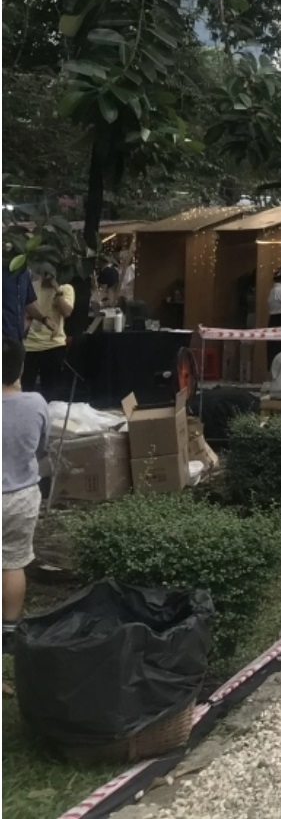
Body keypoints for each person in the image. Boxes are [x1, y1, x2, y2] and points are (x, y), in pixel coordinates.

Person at [3, 339, 51, 649]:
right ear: (21, 367)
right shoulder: (37, 403)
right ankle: (7, 630)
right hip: (20, 497)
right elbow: (42, 448)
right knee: (13, 562)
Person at [21, 264, 75, 393]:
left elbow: (67, 312)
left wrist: (56, 289)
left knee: (51, 389)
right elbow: (27, 312)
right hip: (30, 345)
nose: (46, 276)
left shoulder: (65, 288)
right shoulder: (33, 286)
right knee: (26, 387)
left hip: (53, 344)